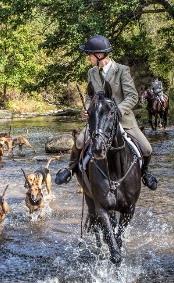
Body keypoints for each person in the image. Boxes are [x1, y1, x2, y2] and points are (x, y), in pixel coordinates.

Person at [55, 35, 158, 190]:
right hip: (99, 122)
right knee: (80, 142)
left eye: (90, 55)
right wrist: (87, 109)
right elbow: (91, 97)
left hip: (123, 120)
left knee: (147, 148)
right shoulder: (91, 73)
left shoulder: (122, 70)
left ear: (99, 55)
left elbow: (132, 96)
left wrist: (117, 111)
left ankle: (144, 172)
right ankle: (70, 169)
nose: (88, 58)